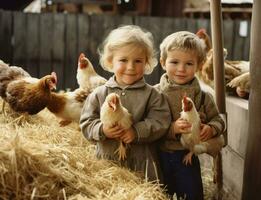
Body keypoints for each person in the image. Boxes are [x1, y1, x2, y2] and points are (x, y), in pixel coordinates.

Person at [80, 25, 171, 182]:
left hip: (141, 164)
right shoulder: (99, 94)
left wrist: (136, 131)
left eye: (138, 61)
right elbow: (86, 123)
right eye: (123, 60)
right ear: (110, 62)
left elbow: (161, 121)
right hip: (107, 164)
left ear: (147, 63)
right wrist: (102, 130)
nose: (131, 67)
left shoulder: (153, 95)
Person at [155, 31, 225, 200]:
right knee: (161, 195)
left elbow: (218, 120)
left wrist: (211, 128)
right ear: (163, 63)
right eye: (174, 62)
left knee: (192, 194)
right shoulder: (155, 94)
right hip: (160, 155)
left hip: (188, 156)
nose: (181, 69)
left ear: (199, 65)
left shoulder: (202, 96)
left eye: (188, 63)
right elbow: (150, 124)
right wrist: (172, 128)